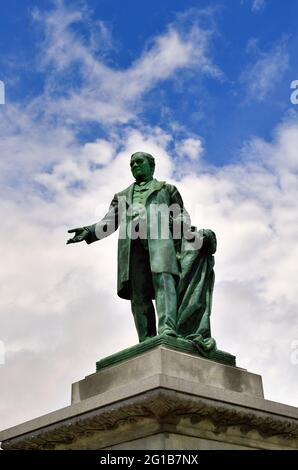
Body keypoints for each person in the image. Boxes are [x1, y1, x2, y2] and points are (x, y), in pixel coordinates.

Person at [67, 151, 193, 342]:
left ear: (152, 166)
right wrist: (89, 231)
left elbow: (182, 218)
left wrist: (180, 231)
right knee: (138, 291)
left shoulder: (167, 190)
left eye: (139, 162)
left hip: (160, 242)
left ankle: (167, 329)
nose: (134, 166)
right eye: (131, 164)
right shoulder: (123, 195)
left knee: (163, 281)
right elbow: (109, 222)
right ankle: (146, 338)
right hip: (131, 245)